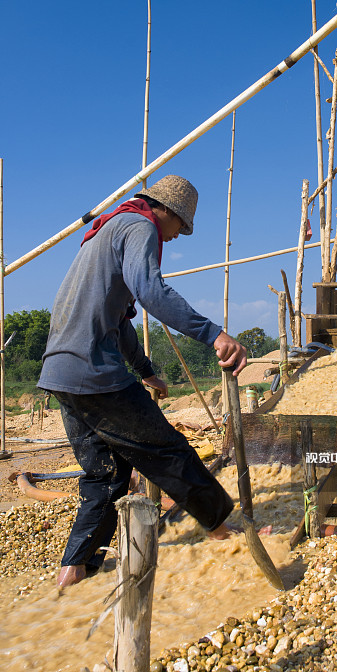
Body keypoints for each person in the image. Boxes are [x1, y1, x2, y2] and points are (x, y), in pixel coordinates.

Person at [38, 174, 247, 588]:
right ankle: (221, 526)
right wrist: (214, 334)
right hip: (93, 371)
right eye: (178, 228)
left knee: (106, 473)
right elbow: (151, 291)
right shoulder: (140, 226)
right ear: (165, 211)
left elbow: (120, 321)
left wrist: (147, 370)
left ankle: (75, 570)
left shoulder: (107, 231)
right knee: (168, 451)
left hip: (60, 372)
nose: (173, 238)